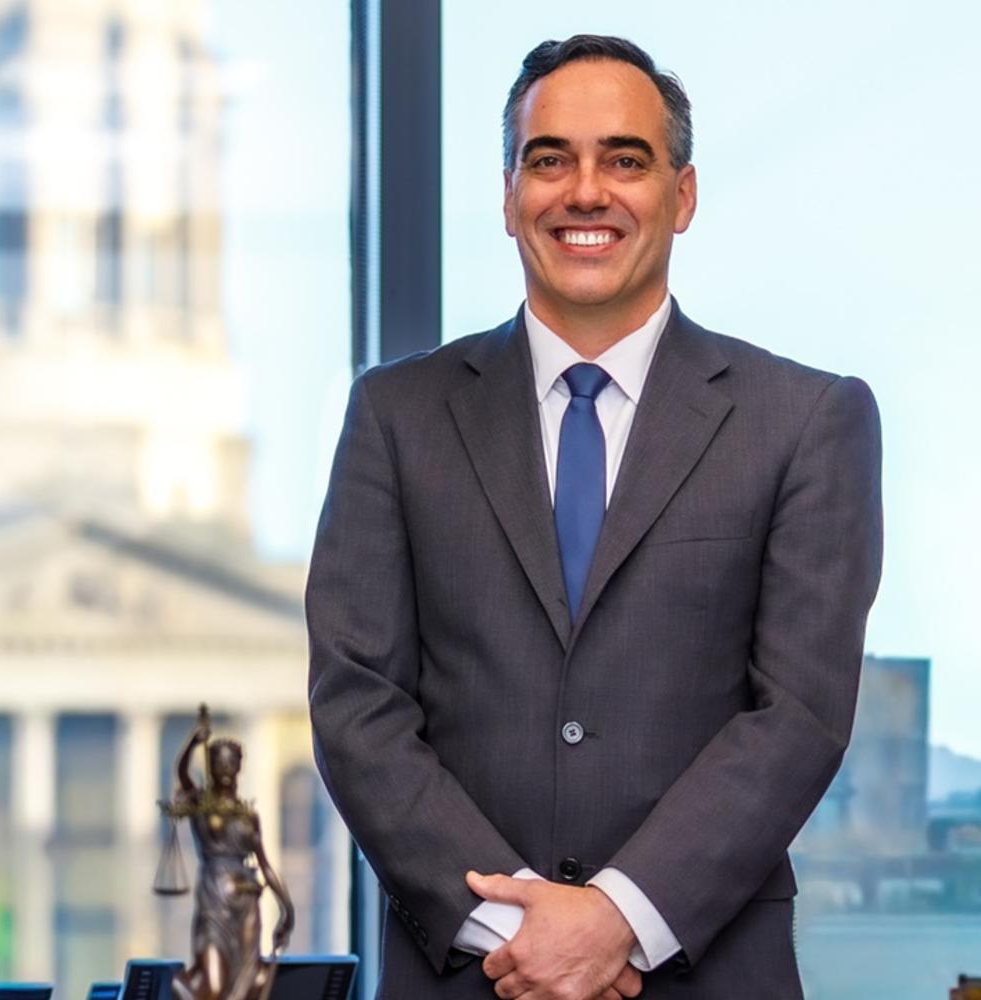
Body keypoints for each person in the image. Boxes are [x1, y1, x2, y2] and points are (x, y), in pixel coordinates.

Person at [306, 34, 882, 1000]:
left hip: (707, 972)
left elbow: (799, 714)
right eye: (549, 159)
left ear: (682, 196)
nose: (585, 192)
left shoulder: (808, 421)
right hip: (470, 970)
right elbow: (356, 703)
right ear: (507, 197)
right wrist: (521, 927)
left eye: (625, 159)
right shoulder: (394, 416)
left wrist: (620, 917)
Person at [168, 707, 295, 1000]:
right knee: (212, 987)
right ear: (211, 767)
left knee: (250, 987)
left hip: (247, 905)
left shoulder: (248, 815)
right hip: (214, 898)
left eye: (230, 764)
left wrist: (287, 909)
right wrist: (193, 743)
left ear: (239, 767)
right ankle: (178, 987)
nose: (224, 770)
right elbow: (183, 773)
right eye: (218, 764)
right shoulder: (201, 803)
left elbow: (265, 864)